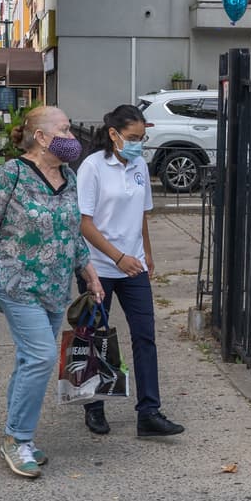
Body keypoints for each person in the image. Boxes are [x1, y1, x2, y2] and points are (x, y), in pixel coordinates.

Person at [0, 105, 105, 479]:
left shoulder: (69, 176)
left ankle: (18, 434)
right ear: (42, 137)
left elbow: (72, 233)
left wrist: (91, 275)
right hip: (17, 283)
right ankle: (17, 439)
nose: (71, 137)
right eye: (64, 130)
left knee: (29, 360)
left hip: (55, 286)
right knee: (41, 357)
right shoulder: (9, 176)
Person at [75, 104, 183, 438]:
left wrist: (146, 254)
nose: (139, 144)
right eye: (133, 137)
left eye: (142, 138)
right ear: (113, 134)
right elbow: (84, 224)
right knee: (93, 337)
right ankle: (94, 406)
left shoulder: (138, 164)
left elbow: (142, 214)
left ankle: (149, 412)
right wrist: (118, 257)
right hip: (98, 267)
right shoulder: (92, 168)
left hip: (133, 266)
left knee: (144, 337)